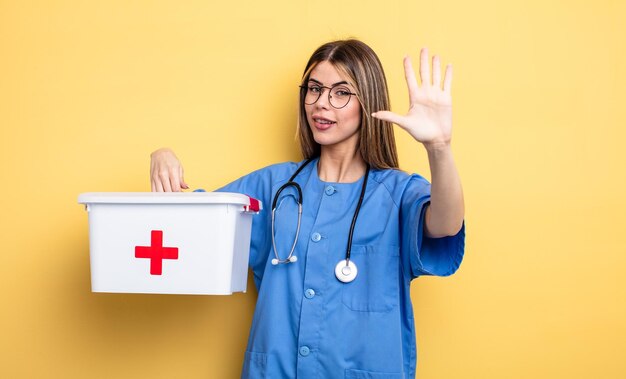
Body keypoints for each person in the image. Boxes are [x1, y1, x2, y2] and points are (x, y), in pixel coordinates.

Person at [150, 39, 465, 379]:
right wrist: (162, 154)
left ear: (368, 102)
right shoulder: (273, 187)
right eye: (314, 89)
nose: (320, 104)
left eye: (341, 92)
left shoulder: (397, 193)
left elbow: (445, 224)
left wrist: (439, 147)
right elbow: (192, 223)